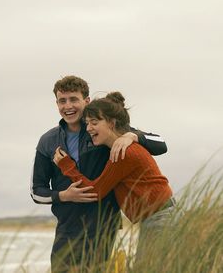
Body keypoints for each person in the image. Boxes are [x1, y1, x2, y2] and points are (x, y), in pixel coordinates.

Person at [31, 76, 168, 272]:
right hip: (68, 227)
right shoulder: (48, 141)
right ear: (57, 104)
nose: (68, 106)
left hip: (104, 226)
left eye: (73, 99)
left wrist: (133, 135)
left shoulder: (102, 128)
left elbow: (161, 144)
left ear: (86, 101)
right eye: (62, 101)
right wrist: (63, 195)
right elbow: (37, 190)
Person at [53, 91, 175, 263]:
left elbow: (96, 191)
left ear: (111, 123)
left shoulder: (124, 152)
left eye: (94, 123)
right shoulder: (118, 149)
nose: (88, 128)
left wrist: (67, 167)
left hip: (161, 219)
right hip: (159, 217)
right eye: (87, 123)